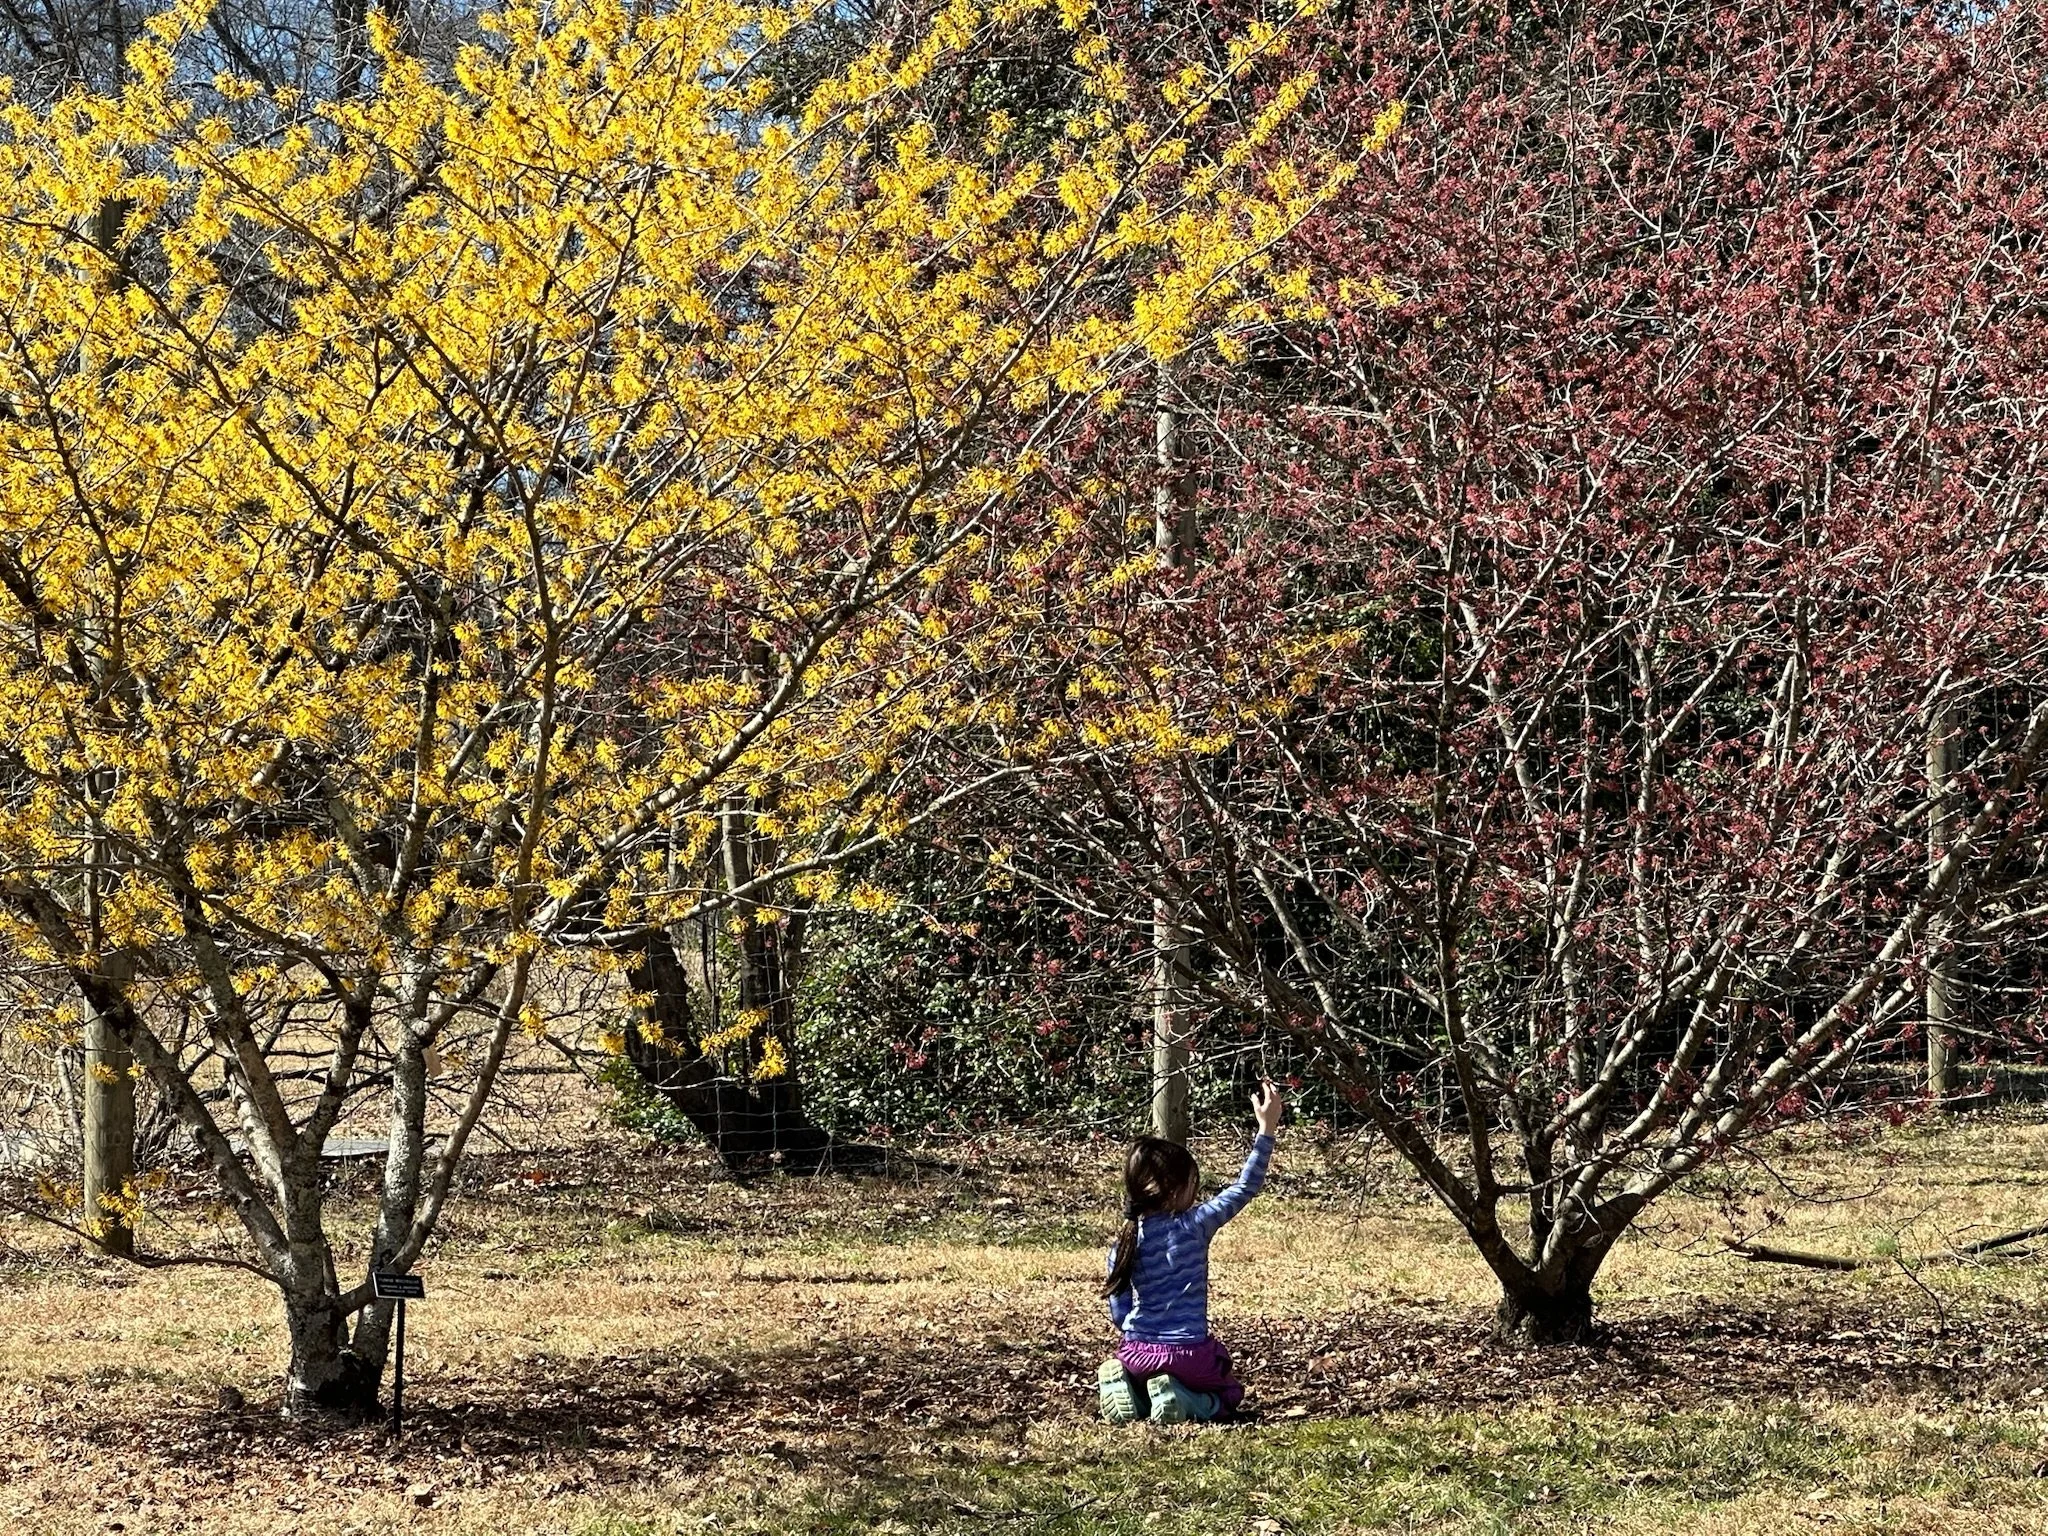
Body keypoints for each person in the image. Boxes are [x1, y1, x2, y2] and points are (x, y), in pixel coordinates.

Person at [1097, 1082, 1283, 1424]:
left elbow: (1119, 1311)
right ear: (1175, 1190)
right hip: (1188, 1353)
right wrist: (1266, 1129)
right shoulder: (1194, 1225)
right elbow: (1245, 1187)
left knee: (1146, 1377)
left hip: (1135, 1352)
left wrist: (1139, 1335)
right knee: (1226, 1395)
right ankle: (1183, 1400)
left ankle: (1131, 1390)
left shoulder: (1125, 1241)